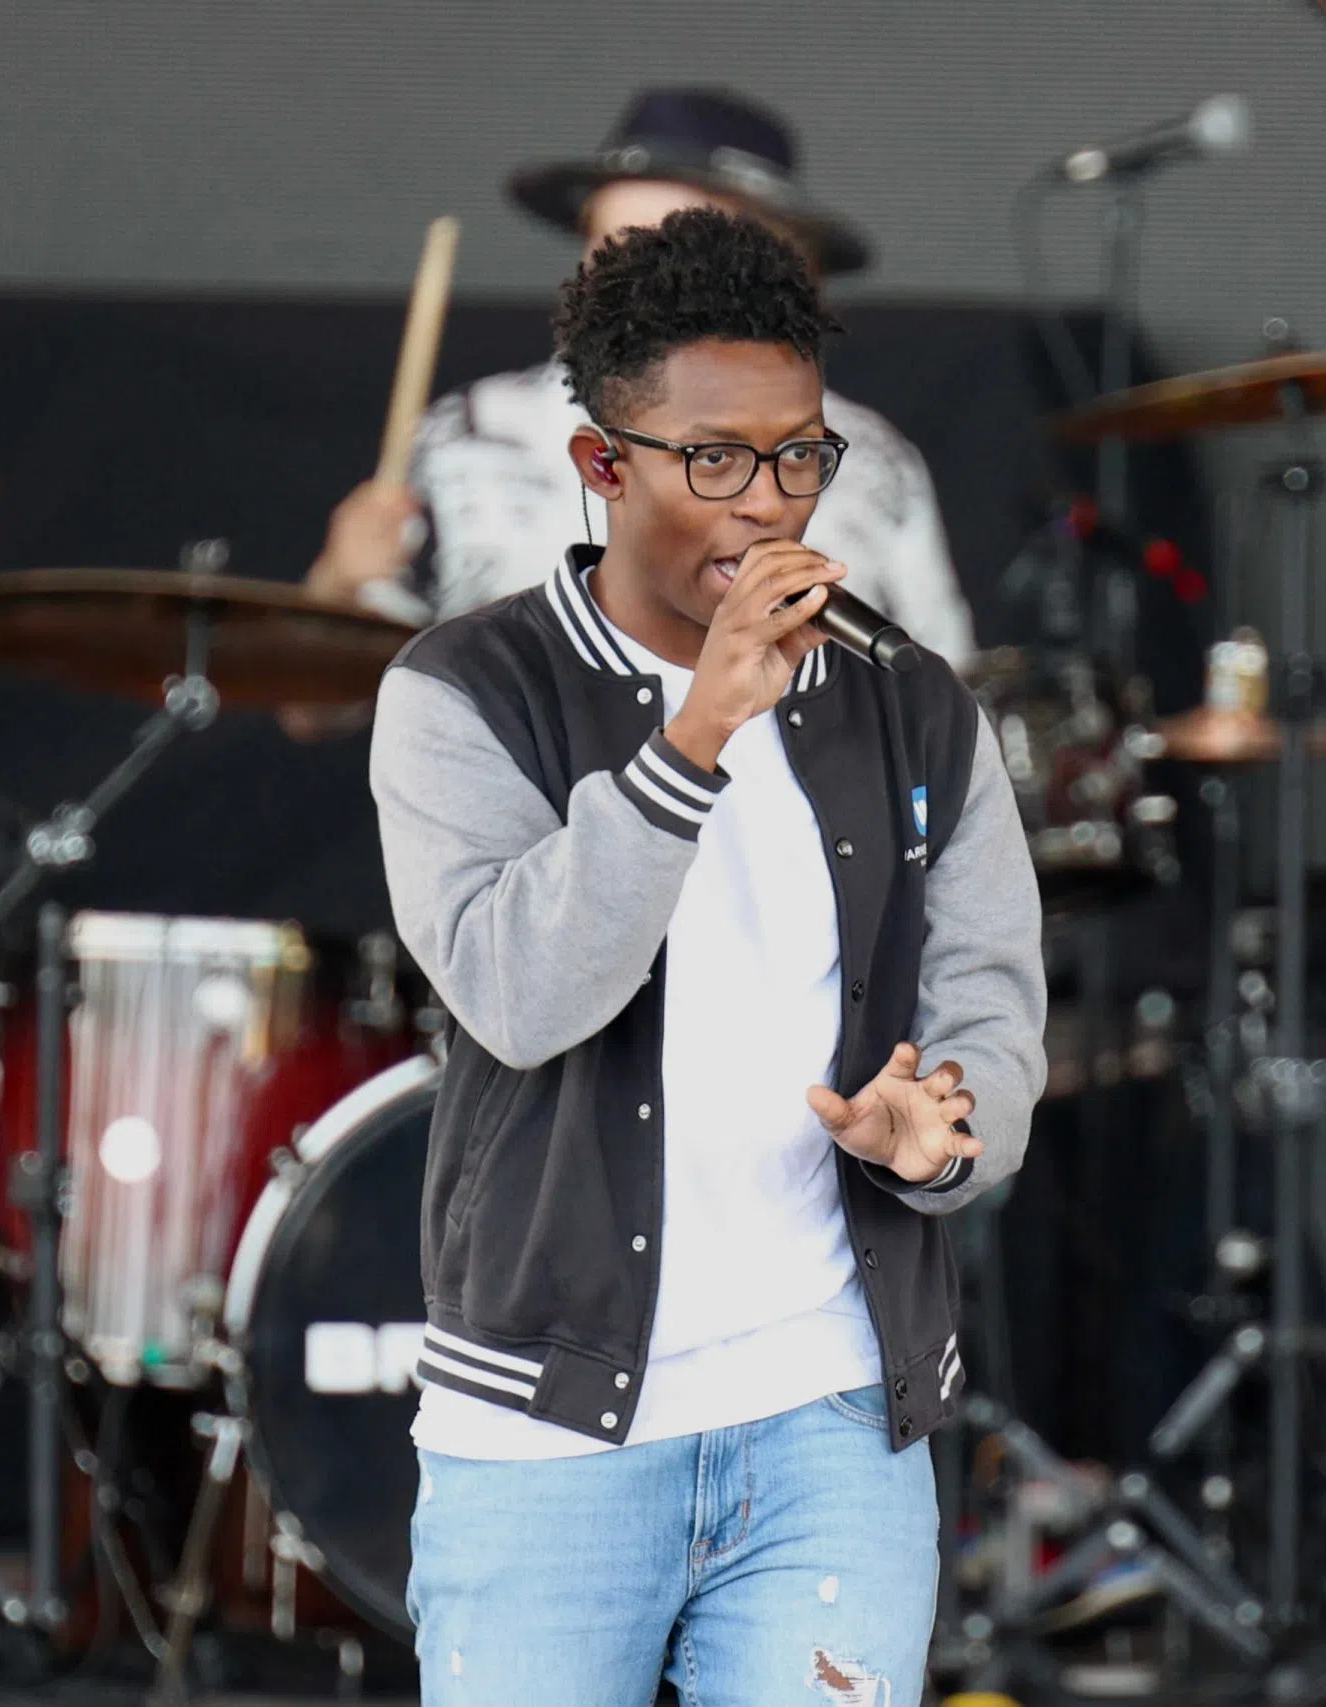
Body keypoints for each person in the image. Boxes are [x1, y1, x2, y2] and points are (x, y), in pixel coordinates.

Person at [369, 208, 1045, 1705]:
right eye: (717, 461)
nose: (770, 503)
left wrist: (943, 1130)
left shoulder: (911, 704)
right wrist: (697, 735)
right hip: (549, 1430)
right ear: (602, 464)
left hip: (830, 1416)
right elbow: (521, 994)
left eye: (801, 457)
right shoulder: (464, 691)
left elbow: (991, 1002)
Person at [307, 87, 975, 666]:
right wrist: (337, 585)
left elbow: (949, 705)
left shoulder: (875, 461)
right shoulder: (471, 434)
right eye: (611, 250)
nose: (633, 287)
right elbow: (320, 704)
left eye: (671, 255)